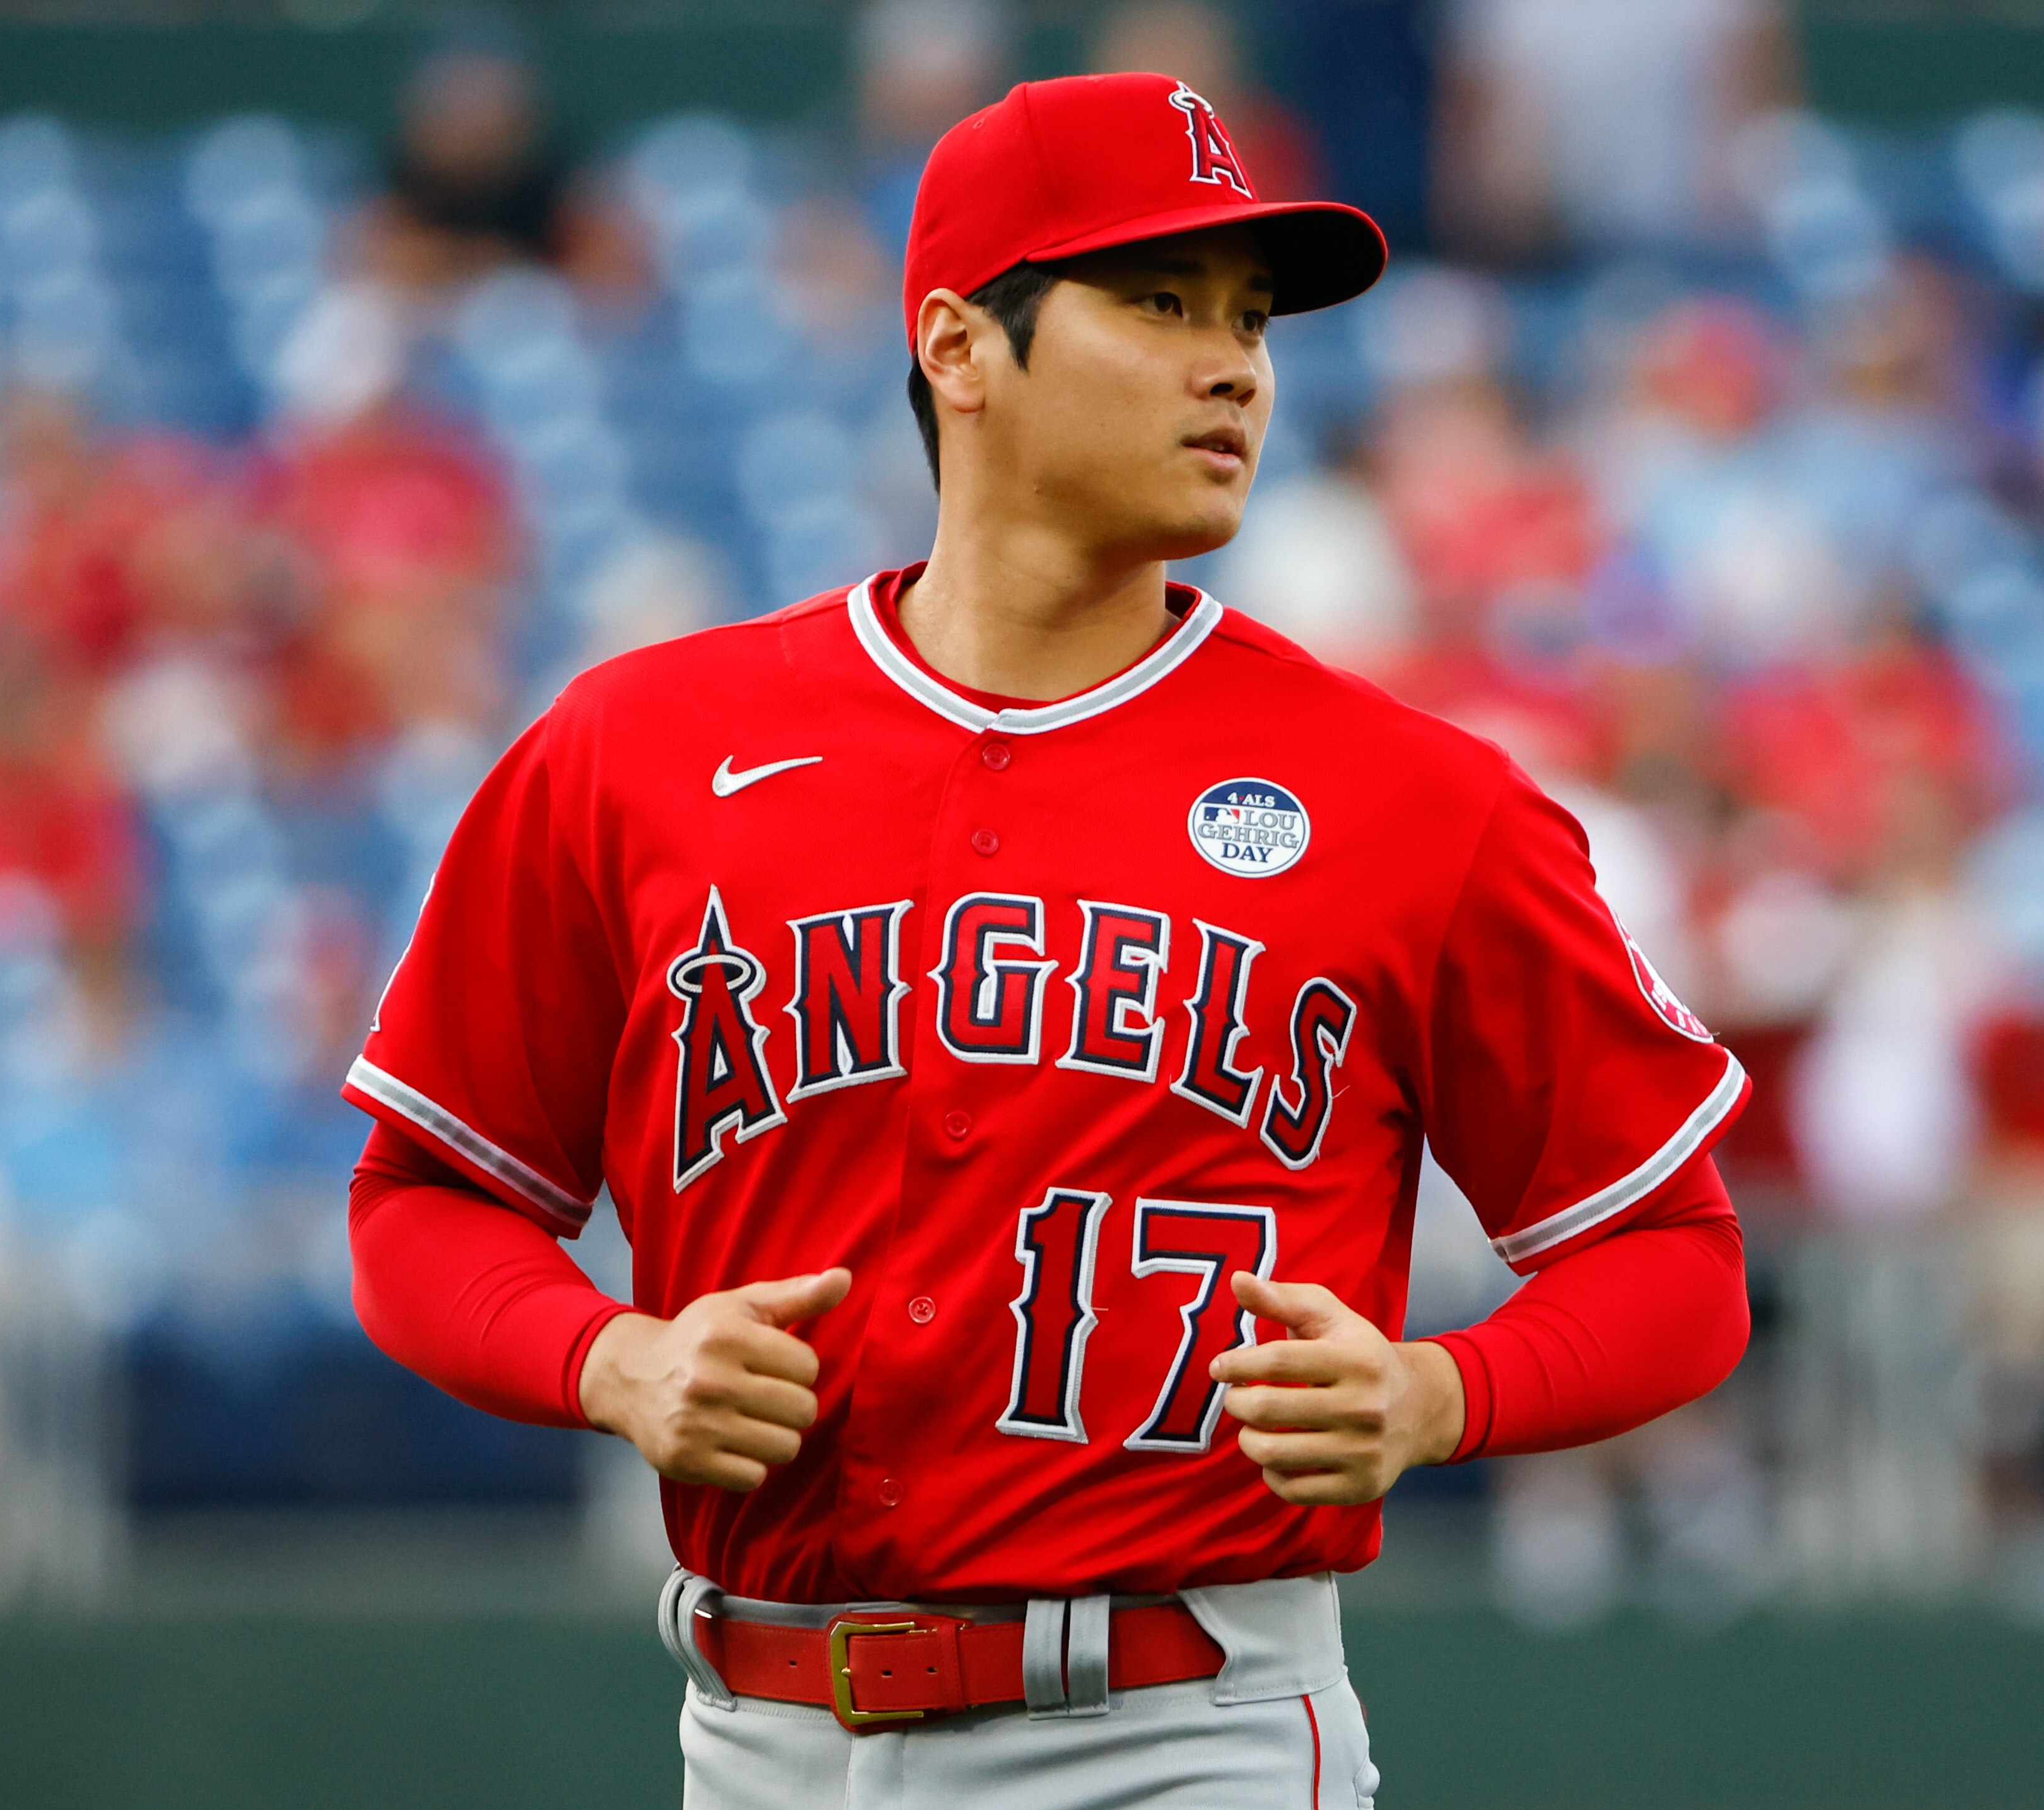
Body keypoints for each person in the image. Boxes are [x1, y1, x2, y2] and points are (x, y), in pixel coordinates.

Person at [344, 73, 1750, 1806]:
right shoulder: (634, 749)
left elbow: (1678, 1259)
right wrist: (608, 1353)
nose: (1234, 364)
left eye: (1249, 318)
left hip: (1181, 1721)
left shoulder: (1416, 800)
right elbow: (425, 1195)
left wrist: (1442, 1393)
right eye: (1157, 301)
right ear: (956, 344)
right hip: (757, 1728)